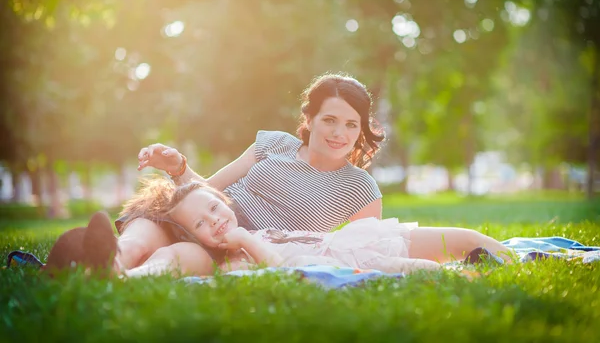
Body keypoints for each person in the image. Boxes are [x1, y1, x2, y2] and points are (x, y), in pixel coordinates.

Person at [117, 73, 387, 270]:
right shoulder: (275, 142)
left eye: (352, 124)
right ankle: (96, 271)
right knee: (132, 246)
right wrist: (178, 168)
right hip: (198, 218)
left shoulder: (360, 188)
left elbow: (367, 249)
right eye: (330, 120)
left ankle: (123, 278)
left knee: (168, 259)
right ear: (309, 119)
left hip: (242, 249)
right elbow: (209, 192)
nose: (340, 133)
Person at [118, 178, 515, 278]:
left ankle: (519, 260)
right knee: (426, 268)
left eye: (212, 209)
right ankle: (469, 272)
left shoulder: (250, 227)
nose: (215, 223)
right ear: (197, 239)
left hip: (355, 241)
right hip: (355, 258)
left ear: (224, 199)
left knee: (469, 239)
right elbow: (280, 270)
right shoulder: (232, 257)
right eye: (201, 225)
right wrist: (239, 240)